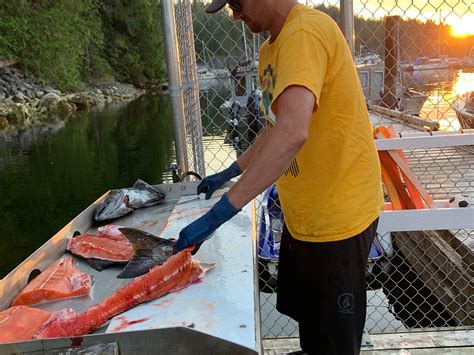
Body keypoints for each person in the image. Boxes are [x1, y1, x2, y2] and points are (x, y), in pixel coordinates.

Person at [175, 1, 383, 354]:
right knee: (311, 323)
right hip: (304, 216)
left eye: (237, 4)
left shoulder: (304, 34)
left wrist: (220, 214)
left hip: (338, 218)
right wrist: (231, 171)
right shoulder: (272, 47)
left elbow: (292, 132)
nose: (235, 15)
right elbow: (275, 128)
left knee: (336, 340)